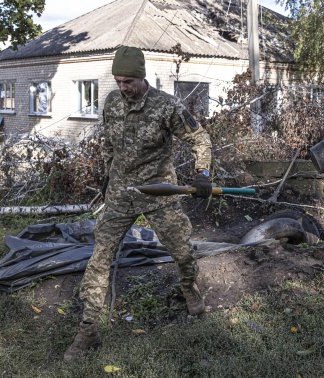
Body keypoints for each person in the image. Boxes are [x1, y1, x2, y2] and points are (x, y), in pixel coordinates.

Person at [63, 46, 213, 362]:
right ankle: (88, 330)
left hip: (159, 192)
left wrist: (202, 173)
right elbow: (107, 143)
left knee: (182, 250)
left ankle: (189, 289)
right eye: (119, 81)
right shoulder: (112, 102)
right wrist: (107, 175)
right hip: (120, 193)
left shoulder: (166, 106)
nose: (123, 87)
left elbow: (200, 139)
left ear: (141, 77)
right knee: (100, 258)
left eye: (128, 81)